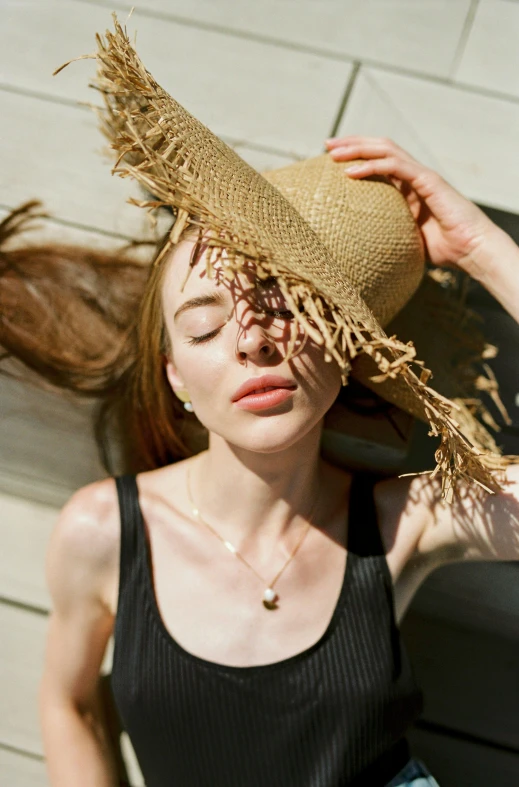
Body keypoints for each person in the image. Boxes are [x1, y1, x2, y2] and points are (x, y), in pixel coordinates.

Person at [5, 20, 516, 787]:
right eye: (207, 323)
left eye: (286, 308)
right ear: (175, 375)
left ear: (343, 353)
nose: (253, 341)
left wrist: (483, 250)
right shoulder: (103, 531)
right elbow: (70, 703)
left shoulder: (403, 523)